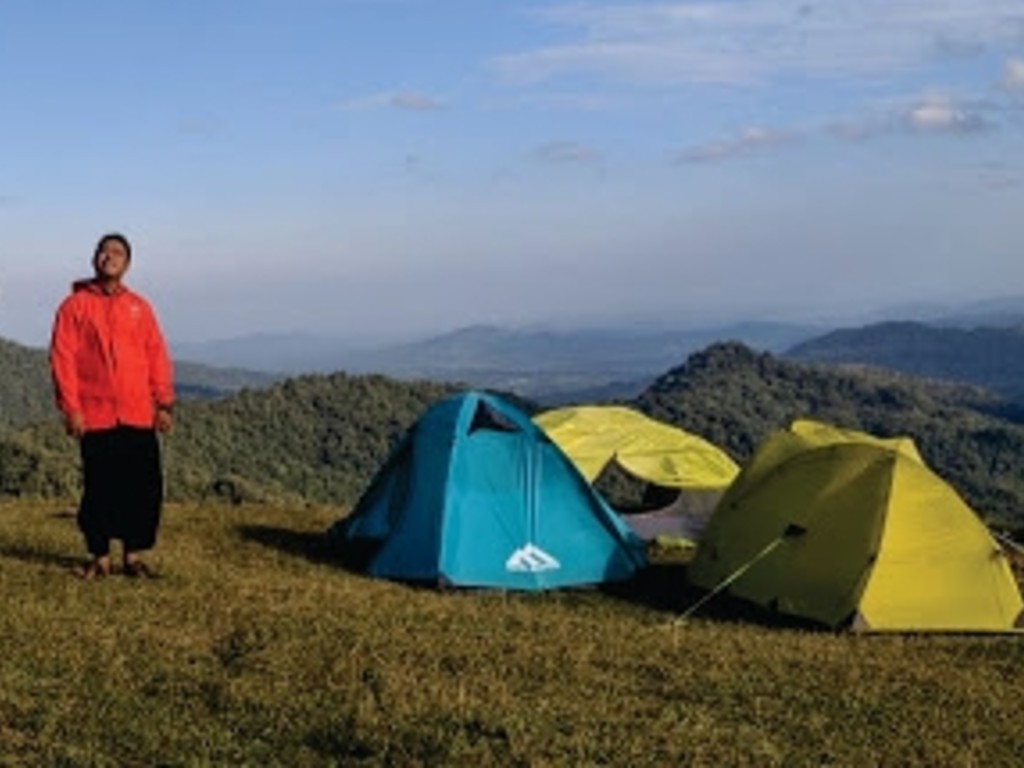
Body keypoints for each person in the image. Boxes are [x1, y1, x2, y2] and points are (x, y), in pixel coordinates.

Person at [50, 233, 174, 579]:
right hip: (95, 414)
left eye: (117, 252)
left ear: (127, 264)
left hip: (138, 412)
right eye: (104, 252)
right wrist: (71, 408)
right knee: (100, 487)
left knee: (143, 487)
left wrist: (164, 403)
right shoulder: (74, 306)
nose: (110, 257)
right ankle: (100, 557)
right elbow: (63, 359)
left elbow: (156, 355)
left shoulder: (140, 307)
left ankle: (133, 558)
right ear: (95, 260)